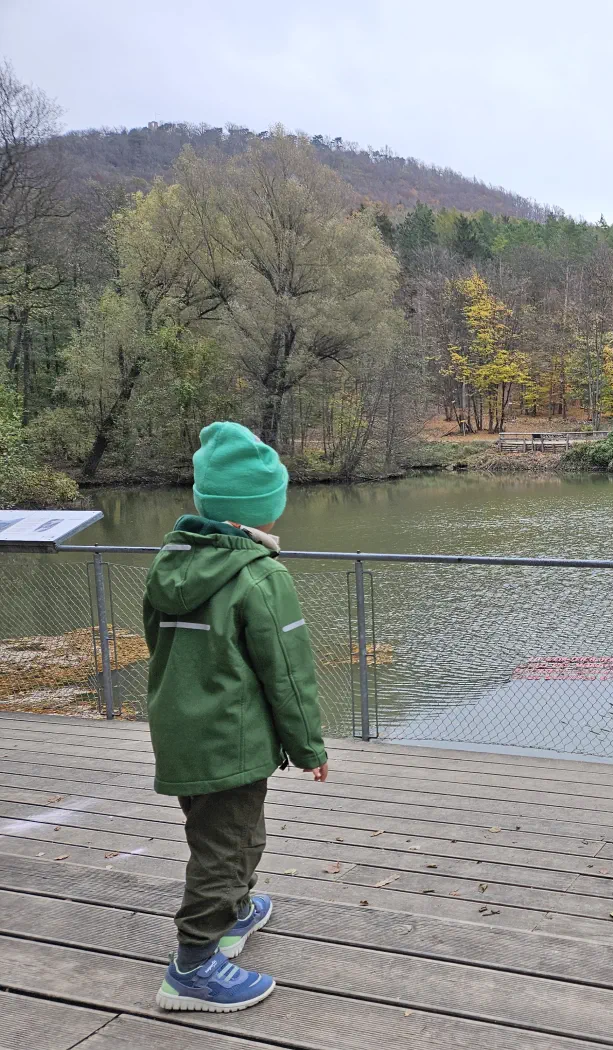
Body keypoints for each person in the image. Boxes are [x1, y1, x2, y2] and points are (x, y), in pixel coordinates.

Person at [142, 420, 329, 1012]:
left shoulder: (168, 565)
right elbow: (289, 675)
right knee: (225, 848)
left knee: (223, 832)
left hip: (181, 730)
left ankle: (238, 911)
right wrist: (310, 748)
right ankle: (193, 966)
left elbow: (158, 645)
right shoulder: (261, 575)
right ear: (263, 509)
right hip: (233, 738)